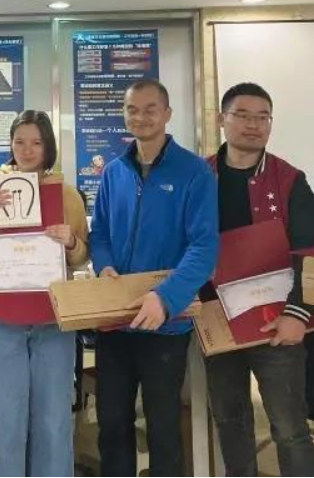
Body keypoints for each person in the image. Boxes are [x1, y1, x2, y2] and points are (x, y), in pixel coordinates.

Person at [88, 78, 218, 476]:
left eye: (150, 109)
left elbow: (203, 247)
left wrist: (165, 298)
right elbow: (100, 232)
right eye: (132, 109)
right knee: (112, 423)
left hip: (165, 323)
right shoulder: (114, 172)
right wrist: (103, 265)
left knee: (163, 425)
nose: (140, 117)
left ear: (167, 114)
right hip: (116, 320)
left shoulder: (194, 172)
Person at [0, 110, 89, 476]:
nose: (27, 150)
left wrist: (71, 242)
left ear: (48, 147)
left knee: (53, 421)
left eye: (36, 142)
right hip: (3, 321)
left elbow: (82, 257)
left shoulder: (67, 195)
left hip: (53, 320)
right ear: (10, 145)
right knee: (1, 420)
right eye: (19, 142)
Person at [204, 82, 314, 476]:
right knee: (230, 420)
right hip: (217, 319)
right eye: (242, 115)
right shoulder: (200, 176)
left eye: (262, 117)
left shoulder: (289, 179)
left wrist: (297, 312)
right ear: (221, 120)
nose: (253, 125)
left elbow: (308, 250)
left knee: (290, 428)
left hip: (277, 319)